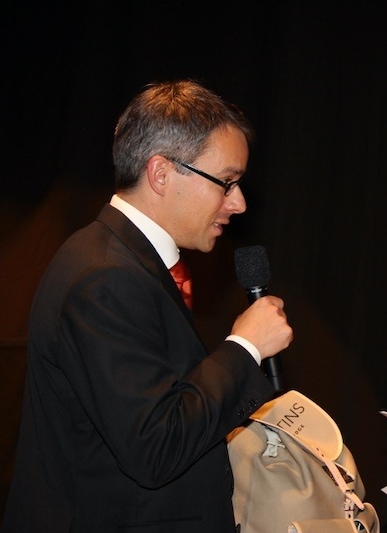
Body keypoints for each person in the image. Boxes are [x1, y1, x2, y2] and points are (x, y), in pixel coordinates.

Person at [1, 80, 293, 532]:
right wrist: (244, 348)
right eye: (227, 182)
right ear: (161, 174)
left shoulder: (125, 260)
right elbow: (155, 448)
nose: (238, 203)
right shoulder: (105, 275)